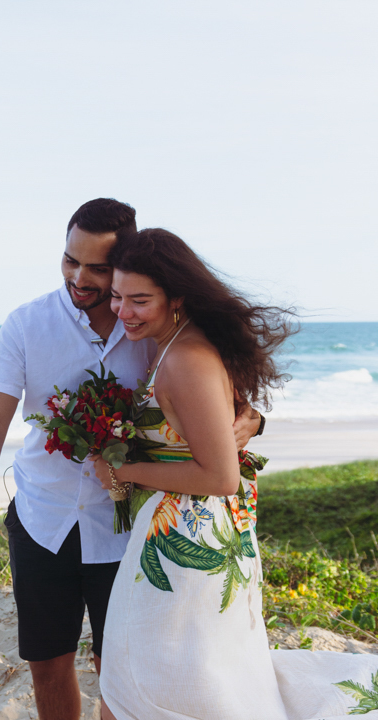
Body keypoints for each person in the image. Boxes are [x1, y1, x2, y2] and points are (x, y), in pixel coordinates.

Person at [0, 199, 263, 720]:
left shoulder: (152, 324)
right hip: (43, 520)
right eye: (71, 260)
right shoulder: (26, 323)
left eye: (98, 267)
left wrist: (252, 420)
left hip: (130, 528)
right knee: (47, 663)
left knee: (120, 668)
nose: (80, 276)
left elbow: (217, 398)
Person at [93, 228, 378, 719]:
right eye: (117, 297)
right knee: (165, 681)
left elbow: (221, 477)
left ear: (176, 297)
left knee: (149, 688)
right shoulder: (173, 345)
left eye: (140, 300)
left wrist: (124, 470)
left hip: (190, 544)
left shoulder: (185, 359)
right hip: (185, 536)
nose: (124, 311)